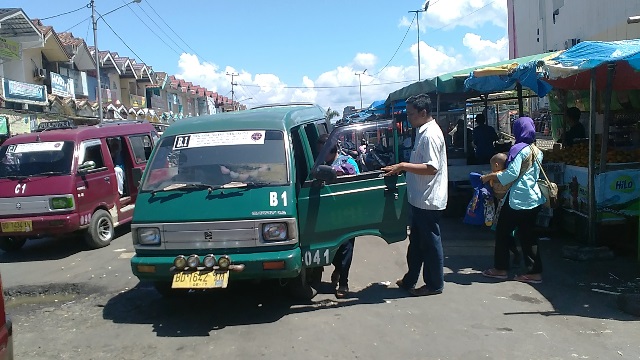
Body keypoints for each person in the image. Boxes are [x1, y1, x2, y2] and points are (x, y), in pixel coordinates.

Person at [381, 94, 448, 297]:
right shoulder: (421, 131)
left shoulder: (430, 135)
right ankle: (411, 278)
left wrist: (403, 166)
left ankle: (435, 284)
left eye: (411, 114)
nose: (408, 117)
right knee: (417, 244)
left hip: (428, 199)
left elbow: (431, 167)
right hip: (419, 197)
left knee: (430, 244)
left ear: (423, 113)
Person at [480, 117, 545, 284]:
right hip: (534, 199)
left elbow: (511, 174)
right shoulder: (537, 151)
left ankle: (500, 269)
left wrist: (490, 176)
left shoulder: (519, 149)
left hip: (517, 199)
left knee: (502, 232)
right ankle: (534, 272)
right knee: (528, 236)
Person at [316, 134, 360, 298]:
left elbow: (356, 185)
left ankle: (344, 282)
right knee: (333, 247)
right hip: (327, 212)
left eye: (322, 152)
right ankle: (338, 269)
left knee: (346, 246)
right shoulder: (320, 164)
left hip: (347, 211)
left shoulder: (348, 163)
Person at [489, 152, 521, 267]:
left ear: (496, 165)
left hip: (503, 208)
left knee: (503, 234)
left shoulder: (496, 176)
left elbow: (492, 188)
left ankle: (504, 262)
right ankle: (515, 253)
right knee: (510, 234)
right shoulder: (508, 175)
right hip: (511, 207)